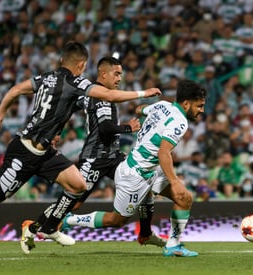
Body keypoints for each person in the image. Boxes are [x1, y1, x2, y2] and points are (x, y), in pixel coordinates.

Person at [0, 41, 161, 260]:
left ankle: (49, 227)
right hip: (24, 151)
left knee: (78, 185)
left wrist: (0, 115)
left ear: (62, 60)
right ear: (81, 65)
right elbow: (109, 95)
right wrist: (144, 93)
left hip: (45, 151)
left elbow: (17, 89)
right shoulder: (75, 82)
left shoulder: (46, 77)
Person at [21, 56, 165, 254]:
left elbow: (72, 104)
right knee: (73, 202)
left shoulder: (94, 94)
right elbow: (106, 129)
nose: (119, 78)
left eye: (121, 74)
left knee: (143, 180)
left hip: (113, 156)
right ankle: (33, 226)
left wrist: (58, 127)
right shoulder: (100, 96)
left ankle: (145, 232)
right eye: (116, 74)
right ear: (103, 74)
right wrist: (127, 127)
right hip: (94, 159)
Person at [61, 80, 207, 257]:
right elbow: (163, 153)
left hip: (148, 169)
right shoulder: (180, 122)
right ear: (186, 103)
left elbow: (140, 109)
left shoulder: (162, 105)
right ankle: (69, 219)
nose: (201, 110)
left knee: (184, 198)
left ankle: (172, 245)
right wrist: (174, 181)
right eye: (199, 106)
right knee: (117, 220)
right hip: (135, 174)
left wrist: (145, 113)